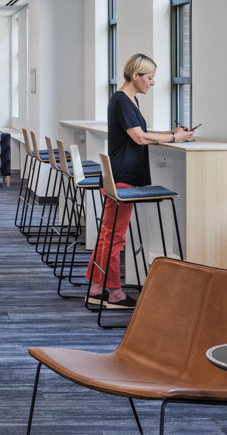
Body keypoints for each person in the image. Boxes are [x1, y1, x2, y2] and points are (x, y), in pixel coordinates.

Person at [86, 53, 193, 308]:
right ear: (136, 76)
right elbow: (139, 138)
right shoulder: (122, 100)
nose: (153, 83)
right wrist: (176, 140)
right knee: (115, 236)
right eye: (150, 77)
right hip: (122, 176)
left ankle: (97, 286)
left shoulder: (129, 99)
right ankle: (114, 293)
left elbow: (142, 132)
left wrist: (172, 133)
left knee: (108, 234)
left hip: (121, 174)